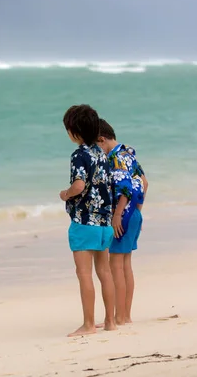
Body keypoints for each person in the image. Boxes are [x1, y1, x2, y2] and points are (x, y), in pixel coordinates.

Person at [59, 104, 117, 337]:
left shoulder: (80, 154)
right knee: (105, 272)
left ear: (74, 131)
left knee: (84, 273)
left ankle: (89, 324)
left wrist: (65, 194)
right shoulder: (101, 154)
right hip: (104, 223)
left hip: (84, 222)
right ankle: (110, 321)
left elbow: (80, 185)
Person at [96, 118, 147, 325]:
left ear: (101, 139)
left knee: (115, 265)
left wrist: (118, 215)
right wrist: (137, 211)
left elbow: (124, 187)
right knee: (125, 264)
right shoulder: (128, 152)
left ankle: (120, 316)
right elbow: (144, 182)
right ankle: (125, 315)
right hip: (132, 213)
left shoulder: (115, 157)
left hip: (121, 215)